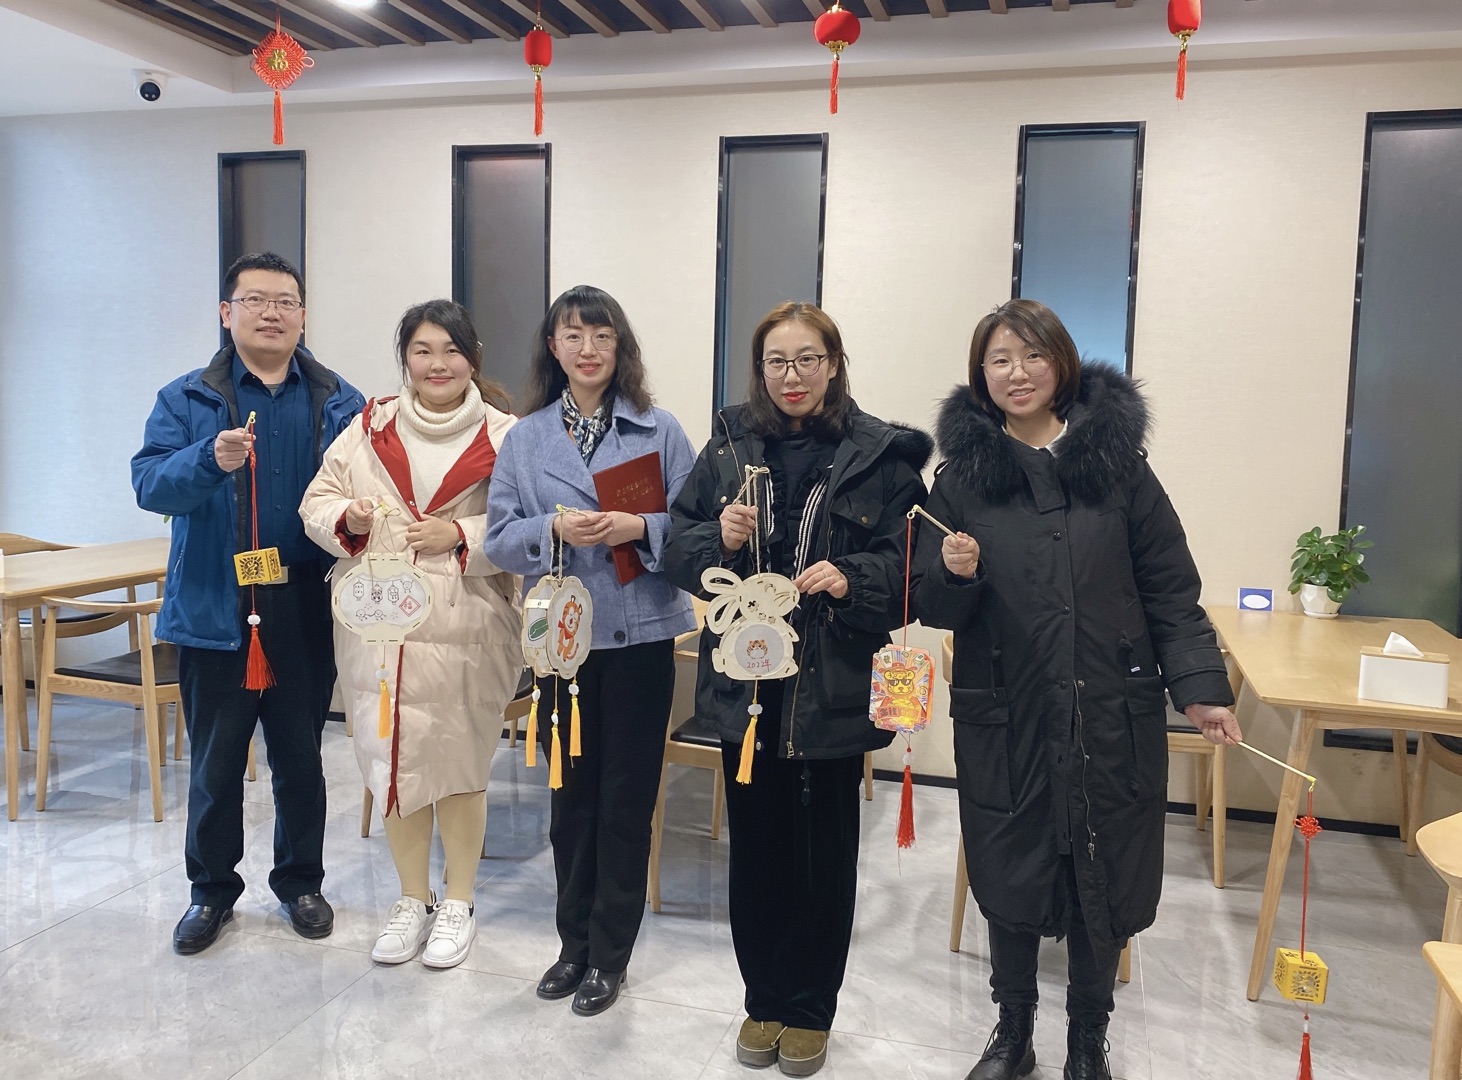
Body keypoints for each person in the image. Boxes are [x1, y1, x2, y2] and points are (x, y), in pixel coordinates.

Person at [908, 299, 1242, 1080]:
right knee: (1010, 863)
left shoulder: (1118, 468)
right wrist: (953, 574)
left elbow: (1170, 589)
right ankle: (1012, 1030)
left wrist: (1200, 687)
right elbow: (929, 602)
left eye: (1032, 355)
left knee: (1105, 865)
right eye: (999, 359)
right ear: (980, 374)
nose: (1017, 373)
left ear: (1060, 363)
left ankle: (1089, 1035)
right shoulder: (961, 480)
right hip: (1008, 709)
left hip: (1109, 709)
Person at [664, 301, 931, 1078]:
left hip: (831, 686)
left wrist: (852, 575)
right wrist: (719, 538)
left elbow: (912, 567)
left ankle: (812, 1008)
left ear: (833, 364)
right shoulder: (727, 444)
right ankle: (764, 998)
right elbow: (678, 547)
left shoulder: (879, 456)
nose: (792, 375)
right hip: (746, 686)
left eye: (807, 359)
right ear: (760, 369)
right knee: (755, 850)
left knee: (823, 854)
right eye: (777, 361)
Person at [132, 251, 364, 955]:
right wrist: (209, 458)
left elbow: (365, 489)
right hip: (215, 603)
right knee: (216, 762)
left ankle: (300, 882)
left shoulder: (340, 400)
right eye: (256, 300)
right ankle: (210, 891)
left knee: (301, 758)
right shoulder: (186, 398)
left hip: (303, 603)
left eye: (285, 302)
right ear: (226, 312)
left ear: (303, 317)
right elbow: (149, 485)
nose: (271, 313)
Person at [484, 285, 696, 1016]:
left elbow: (695, 532)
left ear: (620, 346)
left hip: (641, 639)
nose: (587, 349)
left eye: (601, 335)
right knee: (570, 801)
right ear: (553, 347)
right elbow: (498, 538)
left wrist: (640, 529)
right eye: (573, 335)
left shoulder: (659, 430)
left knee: (625, 803)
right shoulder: (525, 438)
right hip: (562, 646)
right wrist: (552, 529)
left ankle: (610, 955)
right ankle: (570, 944)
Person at [300, 299, 522, 969]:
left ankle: (458, 901)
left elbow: (529, 524)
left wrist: (461, 533)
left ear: (472, 358)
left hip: (468, 621)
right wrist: (349, 517)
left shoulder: (507, 435)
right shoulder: (368, 427)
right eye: (423, 350)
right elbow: (316, 503)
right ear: (406, 359)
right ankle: (411, 898)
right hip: (380, 622)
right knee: (390, 758)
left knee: (459, 763)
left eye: (451, 350)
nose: (437, 364)